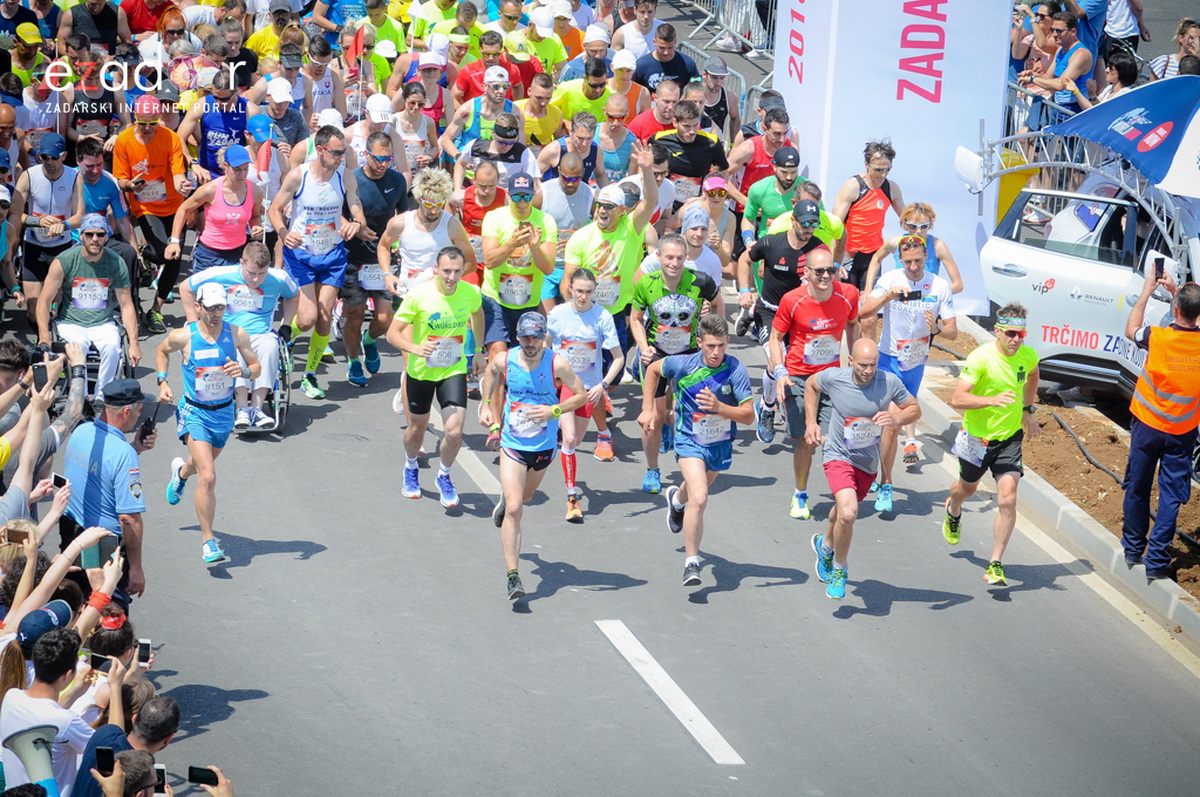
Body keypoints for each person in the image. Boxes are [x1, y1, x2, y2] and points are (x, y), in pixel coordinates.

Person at [638, 313, 753, 587]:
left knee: (693, 491)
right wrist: (647, 408)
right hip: (689, 439)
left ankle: (676, 501)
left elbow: (749, 416)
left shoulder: (735, 370)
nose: (716, 352)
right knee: (700, 498)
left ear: (727, 343)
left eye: (722, 346)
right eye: (711, 346)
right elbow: (653, 370)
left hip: (720, 443)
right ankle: (692, 562)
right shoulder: (684, 364)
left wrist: (720, 408)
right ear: (700, 342)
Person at [479, 310, 586, 600]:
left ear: (544, 338)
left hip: (542, 448)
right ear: (517, 337)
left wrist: (553, 410)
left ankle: (507, 499)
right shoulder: (506, 359)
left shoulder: (557, 364)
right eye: (525, 337)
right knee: (516, 509)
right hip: (512, 444)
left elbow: (581, 395)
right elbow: (490, 371)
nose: (530, 343)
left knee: (523, 499)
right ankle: (513, 576)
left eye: (536, 338)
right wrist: (487, 403)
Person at [806, 338, 921, 599]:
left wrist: (896, 418)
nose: (868, 371)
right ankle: (840, 570)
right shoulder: (836, 378)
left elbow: (915, 409)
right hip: (837, 454)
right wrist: (811, 423)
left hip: (866, 462)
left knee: (841, 513)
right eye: (862, 365)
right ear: (851, 362)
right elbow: (812, 385)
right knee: (849, 513)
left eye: (872, 365)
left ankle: (824, 547)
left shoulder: (888, 381)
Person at [157, 282, 262, 566]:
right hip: (194, 413)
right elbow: (161, 351)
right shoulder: (184, 336)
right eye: (211, 308)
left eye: (221, 307)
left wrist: (244, 370)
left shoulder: (237, 334)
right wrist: (162, 381)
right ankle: (208, 542)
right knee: (209, 476)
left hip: (224, 413)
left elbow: (256, 368)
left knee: (200, 467)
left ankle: (180, 473)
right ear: (198, 307)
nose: (216, 314)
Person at [857, 235, 957, 513]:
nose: (913, 266)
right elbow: (863, 311)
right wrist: (888, 296)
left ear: (927, 258)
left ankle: (879, 473)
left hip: (915, 365)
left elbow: (953, 330)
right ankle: (887, 483)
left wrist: (936, 327)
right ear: (900, 259)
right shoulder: (890, 279)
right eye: (908, 261)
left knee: (891, 425)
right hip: (889, 361)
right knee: (891, 423)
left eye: (918, 261)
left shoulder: (939, 286)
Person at [943, 303, 1041, 587]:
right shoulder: (980, 358)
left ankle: (995, 563)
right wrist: (990, 400)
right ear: (997, 331)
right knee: (966, 489)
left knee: (1007, 498)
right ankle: (954, 508)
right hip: (977, 439)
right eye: (1011, 333)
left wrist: (1027, 409)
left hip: (1009, 438)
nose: (1016, 340)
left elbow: (1033, 374)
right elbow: (957, 399)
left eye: (1021, 334)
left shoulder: (1028, 356)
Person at [268, 125, 366, 400]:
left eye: (343, 152)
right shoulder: (299, 176)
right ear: (320, 151)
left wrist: (356, 224)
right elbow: (275, 210)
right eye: (336, 153)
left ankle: (309, 376)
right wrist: (285, 234)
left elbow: (356, 207)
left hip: (333, 255)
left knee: (324, 322)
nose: (341, 157)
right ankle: (283, 336)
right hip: (302, 255)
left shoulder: (345, 176)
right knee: (309, 318)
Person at [767, 243, 859, 521]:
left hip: (830, 378)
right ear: (806, 273)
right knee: (806, 441)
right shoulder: (792, 299)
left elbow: (853, 323)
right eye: (818, 271)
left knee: (831, 438)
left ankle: (843, 494)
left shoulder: (848, 295)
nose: (825, 276)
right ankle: (800, 493)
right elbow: (775, 337)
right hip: (797, 375)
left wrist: (853, 355)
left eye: (830, 270)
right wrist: (780, 371)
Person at [388, 247, 483, 508]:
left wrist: (477, 351)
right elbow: (392, 334)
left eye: (457, 271)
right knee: (417, 429)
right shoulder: (419, 296)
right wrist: (415, 348)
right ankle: (410, 467)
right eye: (446, 271)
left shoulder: (471, 292)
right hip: (421, 372)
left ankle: (444, 475)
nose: (451, 277)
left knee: (454, 432)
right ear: (436, 270)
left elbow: (478, 314)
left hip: (452, 370)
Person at [1120, 269, 1200, 581]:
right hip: (1181, 435)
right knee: (1170, 497)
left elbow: (1131, 329)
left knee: (1138, 487)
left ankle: (1132, 548)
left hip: (1147, 426)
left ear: (1175, 310)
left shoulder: (1158, 337)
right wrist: (1179, 292)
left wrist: (1147, 291)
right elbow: (1192, 314)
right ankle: (1156, 562)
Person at [629, 233, 719, 494]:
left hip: (689, 354)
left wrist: (711, 332)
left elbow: (717, 304)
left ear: (686, 258)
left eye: (680, 258)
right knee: (652, 417)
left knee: (686, 412)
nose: (675, 263)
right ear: (658, 257)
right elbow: (635, 318)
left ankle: (688, 460)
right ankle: (652, 469)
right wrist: (643, 347)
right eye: (669, 257)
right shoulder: (646, 283)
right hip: (656, 355)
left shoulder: (700, 281)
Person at [180, 242, 298, 430]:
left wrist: (286, 324)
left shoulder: (279, 278)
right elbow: (186, 288)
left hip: (261, 334)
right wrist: (195, 325)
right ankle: (242, 407)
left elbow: (293, 295)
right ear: (241, 263)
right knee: (233, 345)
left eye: (261, 273)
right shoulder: (220, 274)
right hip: (228, 332)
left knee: (270, 345)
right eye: (251, 273)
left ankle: (257, 409)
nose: (256, 279)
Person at [479, 170, 558, 448]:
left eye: (527, 196)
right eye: (516, 197)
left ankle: (524, 417)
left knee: (527, 363)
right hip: (496, 300)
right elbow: (489, 260)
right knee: (500, 359)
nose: (522, 202)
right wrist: (513, 242)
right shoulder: (495, 218)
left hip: (527, 303)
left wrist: (534, 246)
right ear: (509, 195)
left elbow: (547, 267)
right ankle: (496, 422)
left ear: (534, 194)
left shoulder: (545, 220)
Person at [60, 378, 157, 603]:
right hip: (103, 548)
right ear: (125, 411)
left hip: (71, 534)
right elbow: (129, 519)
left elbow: (99, 471)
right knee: (106, 611)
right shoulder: (123, 455)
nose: (138, 416)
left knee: (74, 600)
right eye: (138, 411)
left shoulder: (82, 431)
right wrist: (136, 568)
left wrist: (135, 447)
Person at [112, 94, 193, 336]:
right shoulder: (125, 141)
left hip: (174, 204)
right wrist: (130, 186)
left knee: (174, 256)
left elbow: (178, 172)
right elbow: (121, 179)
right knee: (161, 253)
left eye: (152, 123)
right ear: (135, 119)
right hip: (146, 206)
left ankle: (155, 309)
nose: (147, 128)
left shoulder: (170, 138)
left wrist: (182, 185)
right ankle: (146, 254)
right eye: (142, 123)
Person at [546, 267, 624, 520]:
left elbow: (618, 358)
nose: (583, 296)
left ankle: (568, 466)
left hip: (589, 390)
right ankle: (572, 497)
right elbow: (546, 347)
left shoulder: (602, 317)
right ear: (570, 288)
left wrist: (603, 385)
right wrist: (548, 379)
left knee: (576, 440)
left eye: (589, 292)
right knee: (568, 440)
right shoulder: (557, 314)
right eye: (579, 291)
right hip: (566, 386)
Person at [35, 214, 141, 395]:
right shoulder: (64, 261)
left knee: (112, 349)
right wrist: (44, 337)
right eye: (89, 234)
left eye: (100, 235)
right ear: (81, 235)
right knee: (79, 349)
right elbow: (44, 301)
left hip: (103, 322)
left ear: (107, 236)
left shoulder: (116, 262)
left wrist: (134, 343)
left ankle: (103, 397)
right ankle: (79, 398)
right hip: (71, 322)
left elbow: (126, 305)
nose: (95, 239)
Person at [341, 133, 407, 388]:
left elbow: (403, 216)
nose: (383, 164)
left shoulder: (397, 180)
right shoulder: (352, 179)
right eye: (378, 158)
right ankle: (353, 360)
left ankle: (369, 341)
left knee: (383, 318)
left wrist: (401, 243)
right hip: (352, 256)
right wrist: (354, 228)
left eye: (388, 158)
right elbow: (339, 215)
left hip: (381, 257)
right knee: (354, 314)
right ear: (366, 155)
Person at [0, 627, 94, 794]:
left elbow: (47, 715)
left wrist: (74, 693)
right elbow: (110, 747)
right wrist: (116, 687)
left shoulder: (11, 697)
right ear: (68, 675)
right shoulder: (67, 721)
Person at [15, 132, 83, 328]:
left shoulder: (74, 176)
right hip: (34, 246)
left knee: (54, 303)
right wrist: (38, 222)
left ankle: (52, 342)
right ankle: (41, 341)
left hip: (61, 248)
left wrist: (64, 225)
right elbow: (15, 214)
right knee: (33, 307)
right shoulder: (29, 176)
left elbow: (80, 216)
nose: (49, 162)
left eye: (54, 157)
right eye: (45, 157)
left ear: (64, 155)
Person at [167, 145, 263, 272]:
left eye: (246, 169)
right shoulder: (210, 190)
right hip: (209, 255)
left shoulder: (255, 191)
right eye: (237, 169)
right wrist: (174, 241)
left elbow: (255, 216)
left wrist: (256, 227)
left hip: (238, 254)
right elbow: (183, 209)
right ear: (226, 166)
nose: (242, 174)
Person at [830, 139, 905, 291]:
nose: (882, 175)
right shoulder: (853, 186)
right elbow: (834, 227)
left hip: (873, 255)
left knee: (869, 306)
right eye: (878, 170)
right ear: (866, 164)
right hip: (847, 255)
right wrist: (834, 263)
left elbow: (908, 219)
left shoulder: (891, 188)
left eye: (887, 170)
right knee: (847, 305)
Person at [75, 696, 181, 797]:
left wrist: (115, 686)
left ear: (134, 719)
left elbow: (115, 725)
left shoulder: (104, 733)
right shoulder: (138, 773)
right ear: (168, 739)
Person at [534, 152, 594, 314]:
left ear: (582, 175)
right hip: (546, 267)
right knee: (549, 318)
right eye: (565, 177)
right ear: (559, 171)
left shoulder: (590, 195)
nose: (569, 183)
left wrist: (576, 240)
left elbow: (597, 231)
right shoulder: (543, 193)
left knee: (572, 316)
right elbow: (527, 223)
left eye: (575, 179)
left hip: (573, 265)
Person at [652, 100, 727, 208]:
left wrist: (706, 196)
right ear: (675, 123)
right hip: (665, 202)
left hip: (697, 203)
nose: (692, 131)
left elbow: (723, 172)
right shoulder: (659, 139)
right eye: (687, 126)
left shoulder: (712, 143)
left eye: (695, 125)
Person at [631, 23, 696, 90]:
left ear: (675, 42)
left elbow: (696, 90)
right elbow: (632, 90)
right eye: (662, 48)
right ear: (654, 42)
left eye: (670, 47)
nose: (666, 52)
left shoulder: (687, 64)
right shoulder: (641, 65)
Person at [627, 78, 678, 143]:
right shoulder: (639, 124)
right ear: (655, 98)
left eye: (674, 102)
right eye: (666, 101)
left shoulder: (684, 124)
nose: (670, 107)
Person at [699, 56, 739, 139]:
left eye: (722, 78)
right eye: (714, 78)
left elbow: (735, 118)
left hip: (716, 147)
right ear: (704, 75)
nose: (718, 83)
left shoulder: (730, 97)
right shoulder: (692, 96)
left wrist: (732, 145)